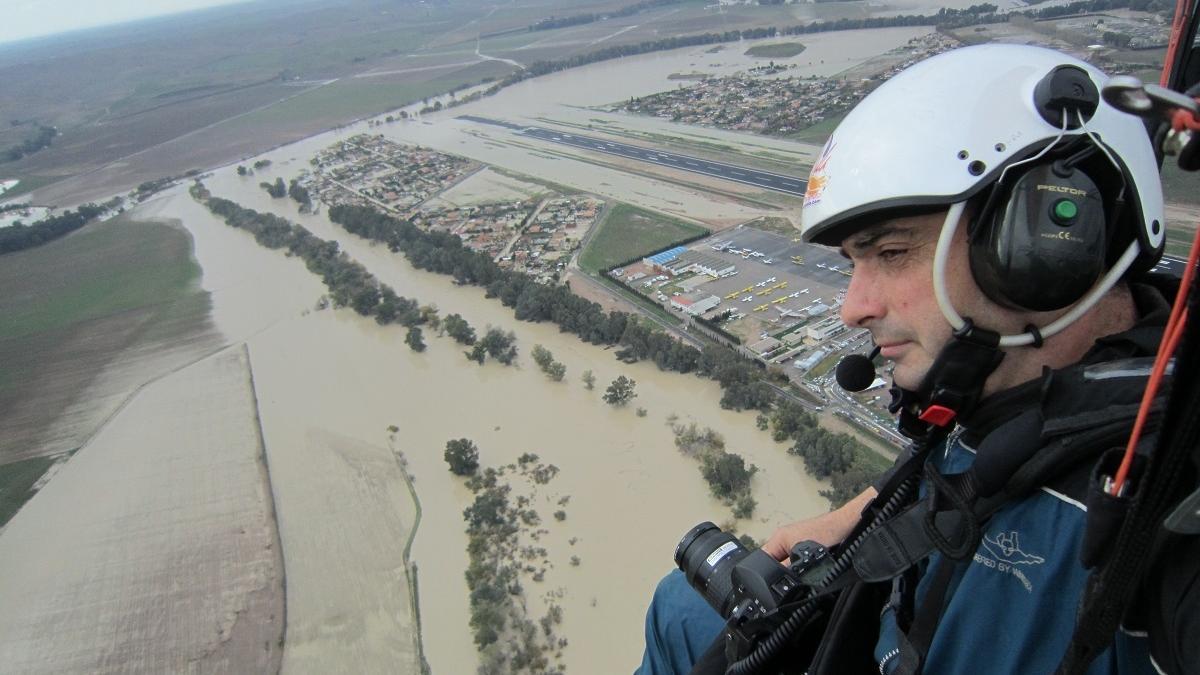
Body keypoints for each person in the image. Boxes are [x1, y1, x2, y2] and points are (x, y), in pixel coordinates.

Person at [637, 43, 1188, 674]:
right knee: (681, 604)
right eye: (853, 264)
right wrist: (865, 514)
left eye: (892, 254)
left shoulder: (1165, 498)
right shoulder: (998, 388)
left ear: (1041, 249)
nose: (853, 308)